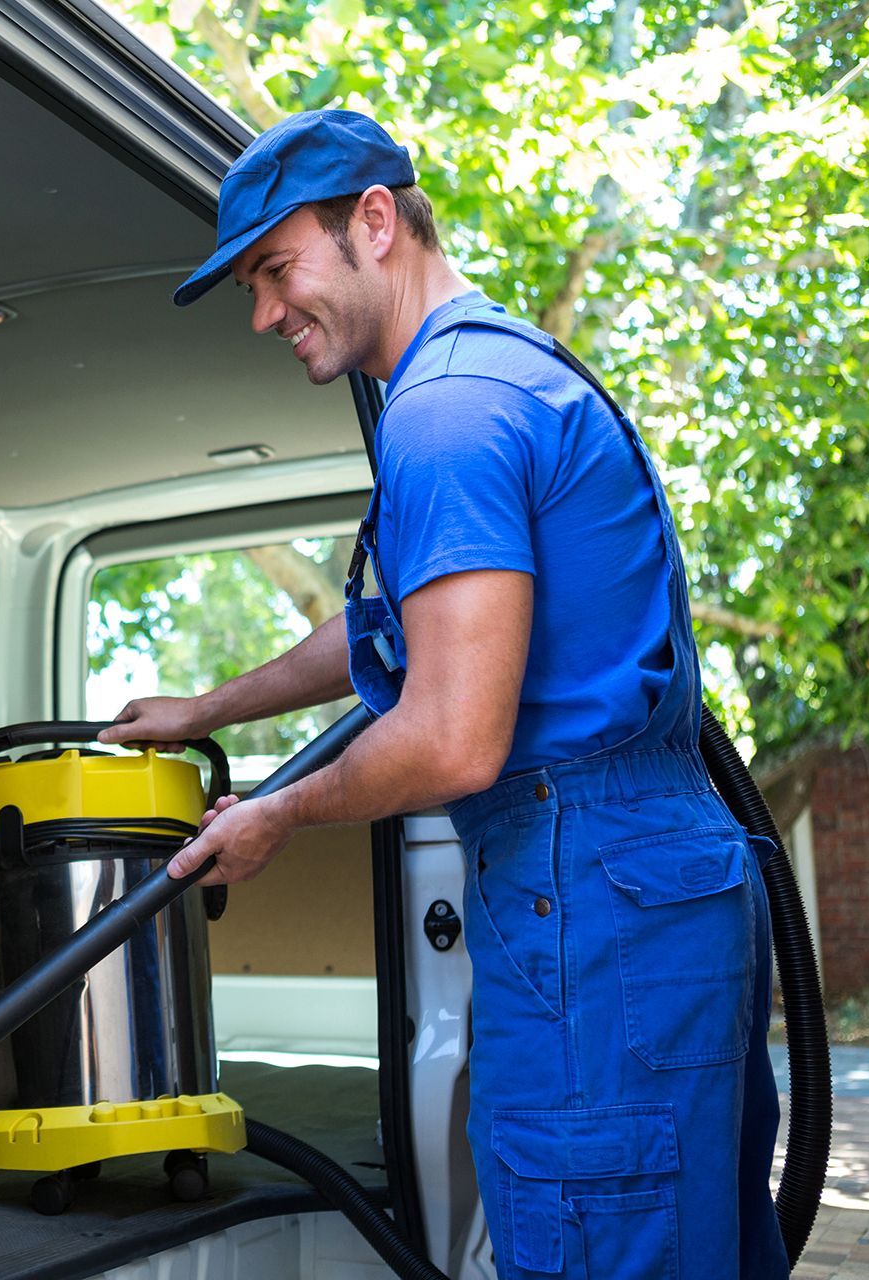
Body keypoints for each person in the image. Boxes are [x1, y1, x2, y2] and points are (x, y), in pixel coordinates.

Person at [99, 109, 787, 1280]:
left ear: (375, 221)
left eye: (276, 269)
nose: (266, 313)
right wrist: (207, 709)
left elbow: (454, 738)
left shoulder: (444, 416)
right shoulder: (500, 369)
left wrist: (273, 810)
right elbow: (403, 633)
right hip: (649, 887)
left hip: (585, 905)